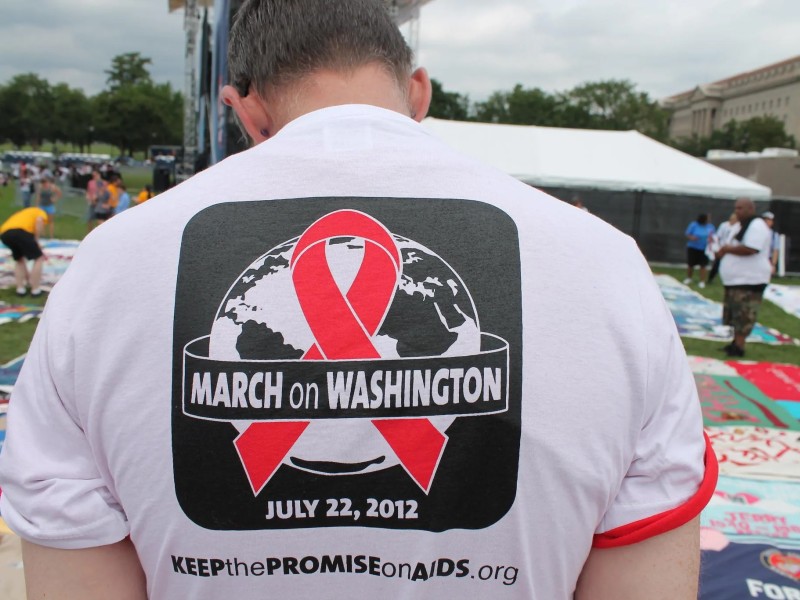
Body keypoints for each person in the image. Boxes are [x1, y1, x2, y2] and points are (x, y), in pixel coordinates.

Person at [0, 2, 715, 598]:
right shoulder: (605, 265)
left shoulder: (108, 269)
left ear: (243, 108)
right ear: (420, 92)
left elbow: (76, 568)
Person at [716, 198, 773, 357]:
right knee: (734, 313)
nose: (737, 211)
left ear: (750, 209)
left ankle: (739, 346)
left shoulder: (757, 225)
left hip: (749, 280)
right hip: (736, 280)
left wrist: (727, 250)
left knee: (744, 314)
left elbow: (751, 248)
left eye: (740, 208)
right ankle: (735, 342)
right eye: (736, 208)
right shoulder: (741, 226)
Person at [0, 206, 48, 297]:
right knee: (38, 258)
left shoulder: (23, 213)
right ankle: (35, 290)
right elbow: (39, 221)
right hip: (21, 232)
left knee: (19, 259)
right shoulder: (40, 212)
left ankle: (20, 289)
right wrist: (36, 241)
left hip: (5, 234)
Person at [683, 213, 715, 288]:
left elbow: (713, 236)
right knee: (690, 264)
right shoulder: (694, 225)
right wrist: (692, 237)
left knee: (703, 265)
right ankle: (689, 278)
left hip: (704, 248)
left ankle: (702, 281)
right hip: (693, 247)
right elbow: (687, 233)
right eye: (708, 218)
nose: (709, 219)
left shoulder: (710, 227)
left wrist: (711, 239)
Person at [707, 212, 737, 284]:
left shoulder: (737, 226)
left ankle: (729, 280)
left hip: (731, 249)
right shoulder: (724, 225)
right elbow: (718, 236)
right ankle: (710, 279)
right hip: (722, 247)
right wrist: (717, 246)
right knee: (716, 264)